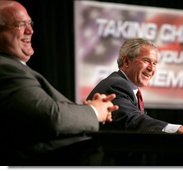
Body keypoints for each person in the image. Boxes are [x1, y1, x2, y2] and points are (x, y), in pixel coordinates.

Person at [0, 1, 118, 165]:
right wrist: (94, 111)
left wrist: (88, 108)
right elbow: (50, 117)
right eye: (20, 24)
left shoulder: (14, 67)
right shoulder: (6, 68)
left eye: (30, 23)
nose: (30, 30)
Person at [87, 38, 183, 134]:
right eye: (146, 61)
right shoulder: (116, 85)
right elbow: (133, 121)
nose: (151, 68)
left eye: (155, 63)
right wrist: (180, 129)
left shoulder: (127, 86)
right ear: (126, 61)